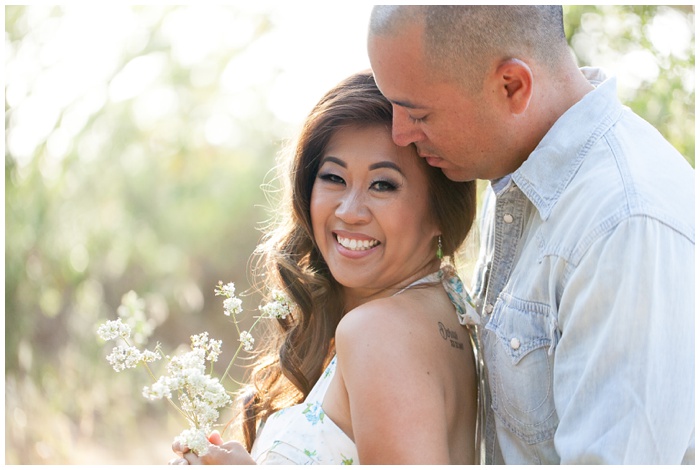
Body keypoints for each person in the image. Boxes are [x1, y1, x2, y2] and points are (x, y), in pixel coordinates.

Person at [367, 5, 695, 465]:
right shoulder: (514, 183)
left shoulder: (624, 223)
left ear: (512, 86)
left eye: (417, 112)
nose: (400, 134)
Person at [168, 70, 481, 465]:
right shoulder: (438, 310)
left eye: (383, 185)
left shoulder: (376, 333)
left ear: (440, 208)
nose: (349, 212)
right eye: (333, 177)